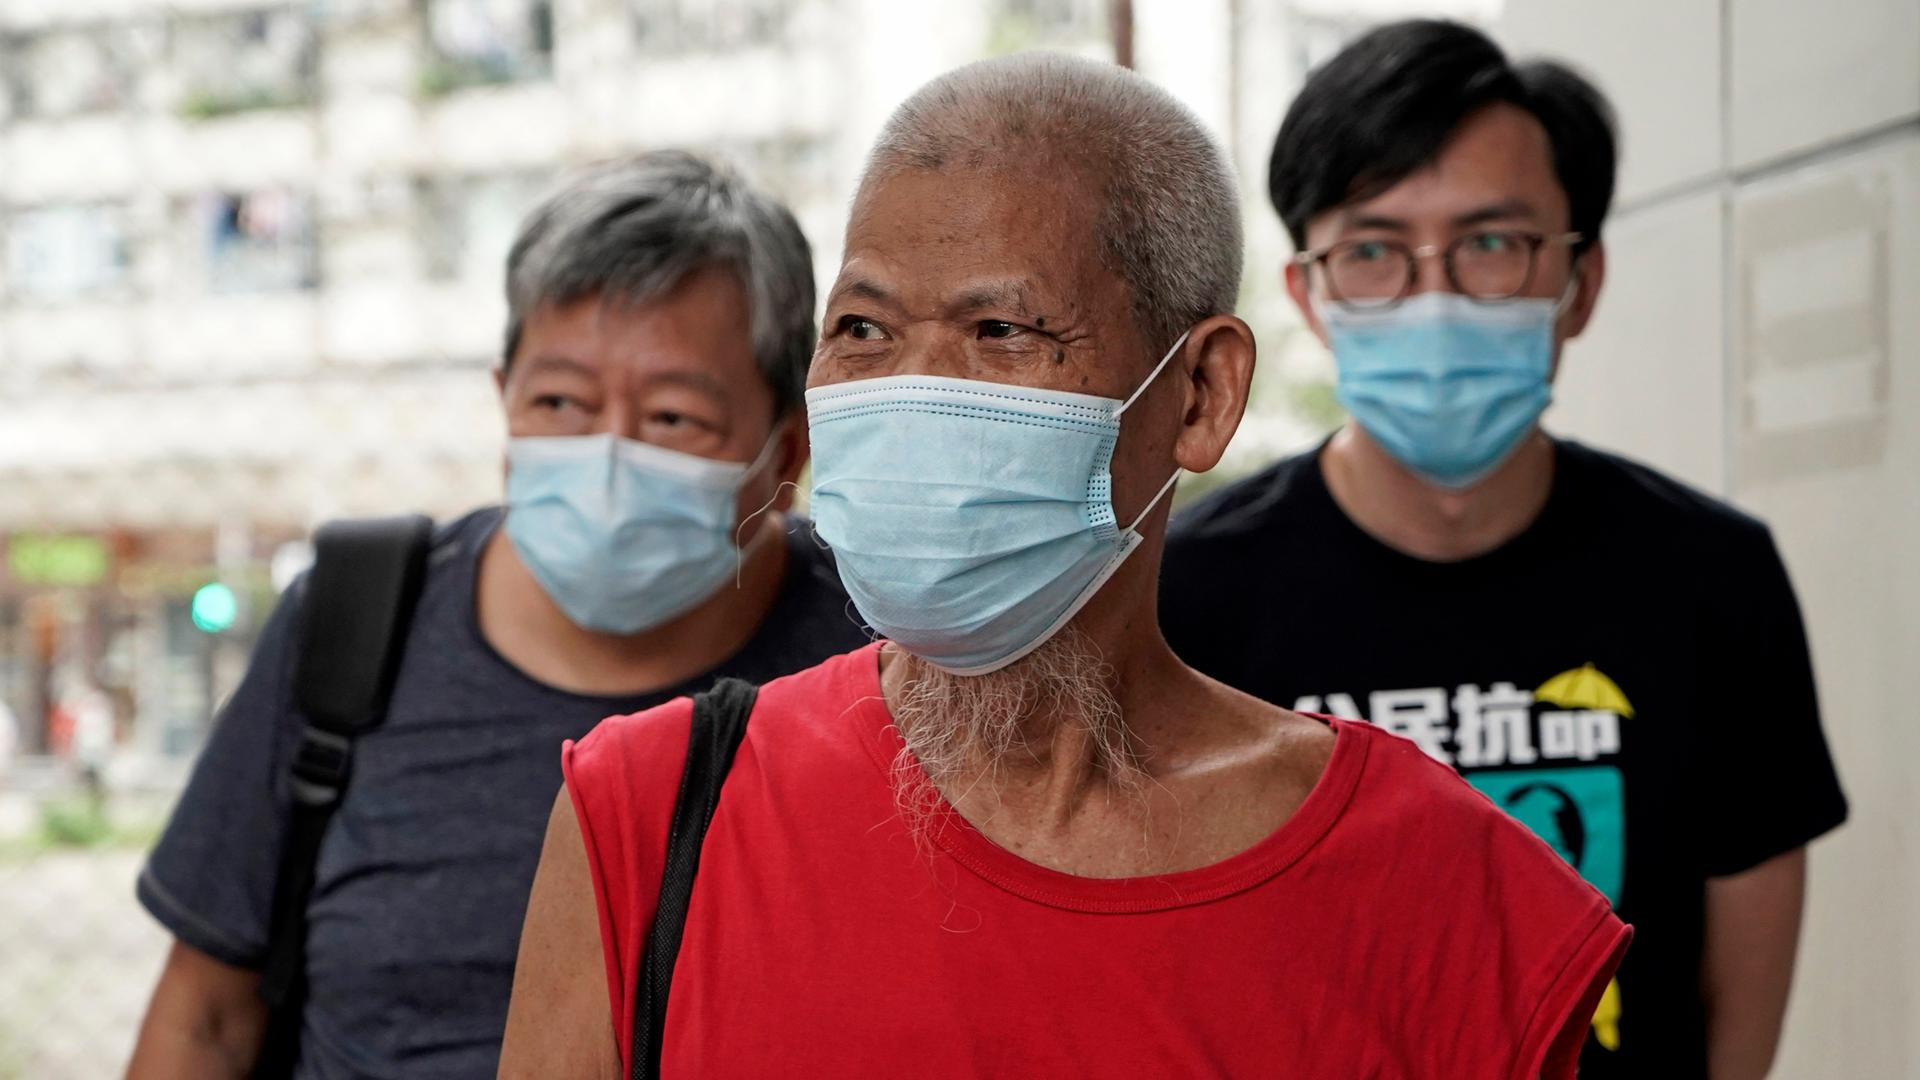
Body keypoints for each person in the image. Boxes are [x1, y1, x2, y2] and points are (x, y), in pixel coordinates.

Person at [500, 54, 1627, 1080]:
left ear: (1200, 397)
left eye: (1002, 332)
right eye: (862, 330)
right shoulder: (648, 815)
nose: (913, 386)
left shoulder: (1442, 886)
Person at [1160, 20, 1848, 1079]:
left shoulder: (1716, 580)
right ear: (1309, 293)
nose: (1434, 298)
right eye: (1376, 252)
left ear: (1580, 281)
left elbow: (1736, 1017)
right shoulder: (1189, 597)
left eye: (1491, 243)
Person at [125, 151, 870, 1079]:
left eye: (674, 418)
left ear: (786, 452)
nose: (605, 453)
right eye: (559, 401)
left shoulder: (878, 654)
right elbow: (203, 1020)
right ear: (503, 403)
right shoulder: (357, 627)